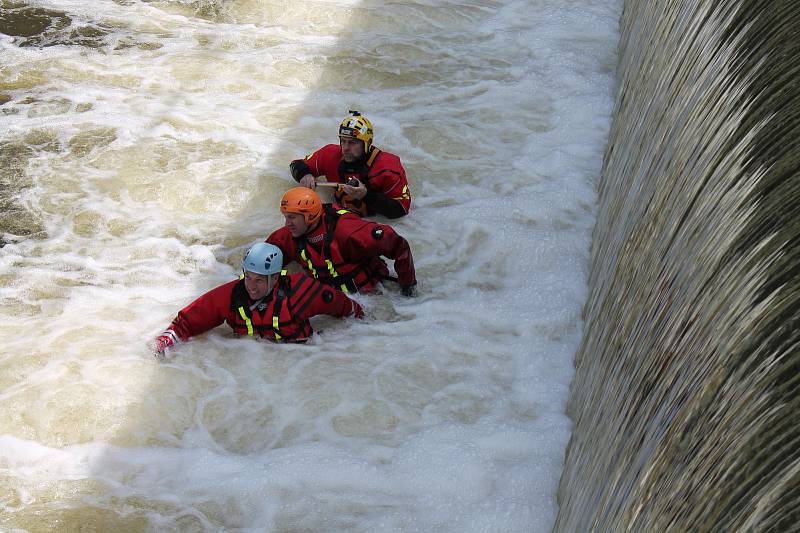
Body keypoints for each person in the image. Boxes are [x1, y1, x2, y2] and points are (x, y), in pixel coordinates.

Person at [153, 243, 364, 357]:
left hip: (301, 358)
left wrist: (361, 318)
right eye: (248, 277)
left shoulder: (302, 291)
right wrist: (166, 340)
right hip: (253, 363)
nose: (251, 286)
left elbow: (344, 307)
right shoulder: (231, 295)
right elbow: (189, 321)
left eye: (259, 281)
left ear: (275, 278)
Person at [266, 187, 417, 296]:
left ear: (310, 216)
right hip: (331, 298)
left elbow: (398, 245)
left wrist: (407, 285)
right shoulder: (288, 235)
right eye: (285, 216)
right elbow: (261, 261)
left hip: (374, 293)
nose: (287, 224)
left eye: (292, 217)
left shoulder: (348, 231)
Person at [289, 110, 412, 218]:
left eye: (352, 143)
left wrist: (366, 195)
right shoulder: (329, 155)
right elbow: (296, 164)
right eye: (343, 141)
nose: (346, 148)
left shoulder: (388, 168)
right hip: (340, 216)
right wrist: (305, 175)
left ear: (367, 143)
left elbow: (402, 209)